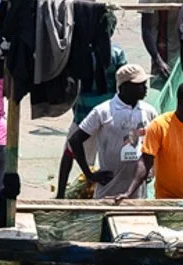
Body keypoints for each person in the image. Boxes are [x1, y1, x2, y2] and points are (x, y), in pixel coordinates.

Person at [63, 64, 154, 198]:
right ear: (124, 86)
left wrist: (151, 169)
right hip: (108, 191)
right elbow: (75, 140)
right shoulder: (103, 112)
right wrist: (89, 174)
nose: (145, 88)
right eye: (140, 84)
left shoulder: (149, 112)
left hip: (138, 193)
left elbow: (155, 144)